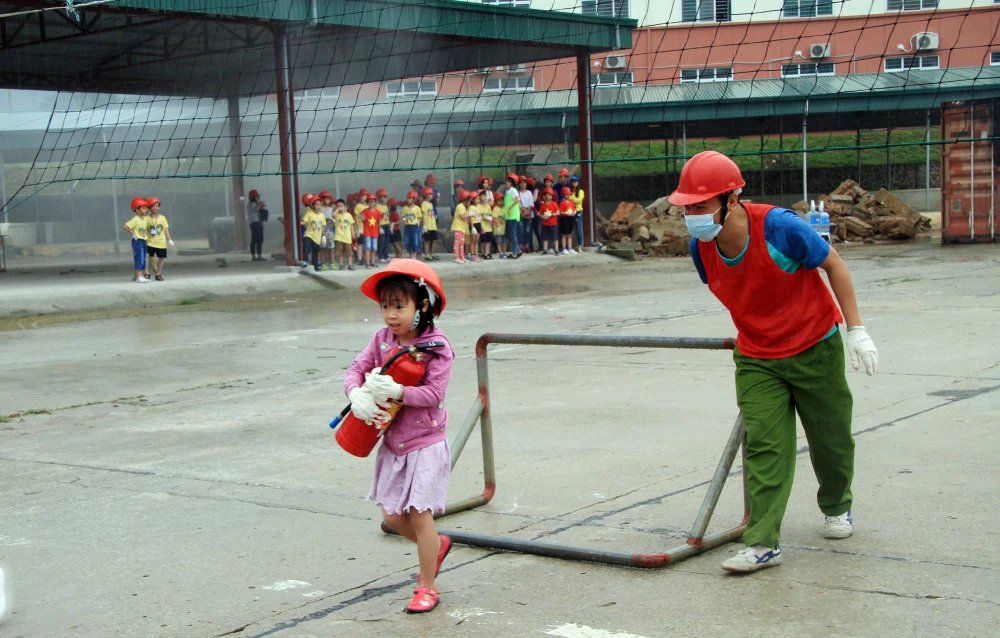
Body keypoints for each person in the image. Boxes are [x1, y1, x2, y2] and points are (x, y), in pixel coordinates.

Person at [669, 150, 879, 573]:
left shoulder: (780, 227)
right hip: (758, 356)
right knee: (765, 447)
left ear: (731, 199)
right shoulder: (700, 248)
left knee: (831, 439)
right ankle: (763, 542)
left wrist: (856, 329)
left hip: (814, 347)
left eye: (701, 205)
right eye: (686, 207)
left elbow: (833, 265)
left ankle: (837, 504)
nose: (692, 214)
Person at [345, 259, 454, 614]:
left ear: (422, 305)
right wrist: (355, 394)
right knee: (392, 517)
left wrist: (400, 390)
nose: (391, 316)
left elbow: (435, 394)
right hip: (393, 443)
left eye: (399, 306)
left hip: (425, 443)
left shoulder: (436, 347)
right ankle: (436, 546)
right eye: (385, 307)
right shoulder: (382, 339)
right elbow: (356, 369)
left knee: (420, 514)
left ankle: (427, 587)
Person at [145, 197, 174, 280]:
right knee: (146, 257)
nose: (155, 208)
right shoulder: (146, 218)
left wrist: (169, 239)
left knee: (161, 258)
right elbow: (143, 228)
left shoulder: (162, 218)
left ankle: (158, 274)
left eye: (157, 206)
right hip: (150, 242)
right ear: (149, 207)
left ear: (159, 207)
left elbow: (165, 229)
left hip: (161, 242)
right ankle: (146, 273)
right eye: (153, 206)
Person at [123, 197, 150, 283]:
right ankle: (139, 276)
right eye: (143, 208)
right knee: (139, 257)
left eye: (145, 208)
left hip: (143, 240)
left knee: (144, 258)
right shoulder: (135, 219)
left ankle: (139, 276)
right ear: (137, 209)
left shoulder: (144, 219)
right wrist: (133, 234)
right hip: (137, 240)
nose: (145, 210)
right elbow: (125, 226)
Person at [300, 193, 326, 272]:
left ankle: (315, 266)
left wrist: (323, 235)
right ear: (313, 205)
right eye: (317, 204)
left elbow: (323, 225)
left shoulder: (322, 215)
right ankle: (306, 260)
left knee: (315, 252)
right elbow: (303, 222)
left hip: (317, 237)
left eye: (320, 205)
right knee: (307, 245)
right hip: (309, 234)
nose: (319, 206)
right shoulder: (309, 213)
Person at [332, 198, 355, 271]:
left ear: (344, 206)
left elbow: (351, 225)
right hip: (338, 236)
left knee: (349, 252)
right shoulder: (337, 215)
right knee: (340, 252)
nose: (340, 207)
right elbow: (333, 215)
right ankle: (341, 265)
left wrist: (353, 234)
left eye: (341, 206)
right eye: (338, 206)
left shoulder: (348, 215)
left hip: (347, 236)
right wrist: (337, 209)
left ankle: (350, 265)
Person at [502, 173, 521, 258]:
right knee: (508, 234)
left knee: (512, 234)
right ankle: (518, 250)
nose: (507, 182)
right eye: (507, 181)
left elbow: (518, 199)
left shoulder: (513, 190)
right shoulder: (507, 191)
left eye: (509, 181)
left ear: (513, 182)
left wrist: (510, 208)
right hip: (508, 216)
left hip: (513, 215)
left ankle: (514, 253)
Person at [450, 189, 471, 264]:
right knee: (457, 243)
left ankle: (462, 257)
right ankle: (457, 258)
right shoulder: (460, 206)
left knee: (462, 243)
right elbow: (462, 216)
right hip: (457, 227)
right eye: (469, 200)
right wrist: (470, 214)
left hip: (461, 228)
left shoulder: (463, 207)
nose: (469, 202)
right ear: (466, 199)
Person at [361, 193, 382, 268]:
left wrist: (380, 228)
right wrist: (362, 218)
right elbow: (363, 220)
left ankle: (372, 262)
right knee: (368, 247)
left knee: (374, 248)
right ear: (367, 202)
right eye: (369, 201)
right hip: (367, 232)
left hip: (375, 232)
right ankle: (367, 262)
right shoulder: (365, 211)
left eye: (372, 201)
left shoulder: (377, 212)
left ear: (375, 202)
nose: (371, 203)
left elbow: (379, 221)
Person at [246, 189, 268, 261]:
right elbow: (256, 210)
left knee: (254, 240)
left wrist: (261, 206)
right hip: (256, 223)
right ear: (253, 197)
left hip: (254, 223)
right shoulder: (252, 204)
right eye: (257, 196)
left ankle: (254, 256)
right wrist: (260, 204)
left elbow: (257, 210)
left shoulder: (251, 204)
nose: (258, 197)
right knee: (259, 240)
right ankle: (259, 256)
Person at [402, 190, 424, 259]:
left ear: (414, 199)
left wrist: (418, 221)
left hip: (415, 226)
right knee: (406, 241)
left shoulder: (417, 208)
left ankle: (414, 255)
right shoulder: (405, 208)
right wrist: (404, 220)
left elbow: (420, 217)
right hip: (407, 226)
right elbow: (403, 216)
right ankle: (410, 254)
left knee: (415, 240)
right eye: (407, 198)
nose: (408, 200)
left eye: (410, 198)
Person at [538, 187, 559, 255]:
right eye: (548, 194)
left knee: (555, 237)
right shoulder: (543, 205)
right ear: (544, 195)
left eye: (550, 195)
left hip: (553, 223)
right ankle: (545, 250)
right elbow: (540, 214)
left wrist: (552, 214)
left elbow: (558, 212)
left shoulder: (554, 204)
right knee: (545, 237)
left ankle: (556, 250)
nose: (549, 196)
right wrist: (542, 216)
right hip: (545, 223)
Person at [420, 186, 438, 261]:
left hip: (433, 225)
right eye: (430, 194)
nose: (432, 195)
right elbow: (423, 215)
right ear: (426, 195)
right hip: (427, 226)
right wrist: (424, 225)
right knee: (426, 240)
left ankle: (432, 253)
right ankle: (427, 255)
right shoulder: (424, 203)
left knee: (435, 239)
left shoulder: (431, 204)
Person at [517, 177, 535, 253]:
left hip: (528, 213)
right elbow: (517, 203)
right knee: (521, 230)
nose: (523, 184)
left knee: (528, 230)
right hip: (520, 213)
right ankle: (521, 246)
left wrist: (528, 210)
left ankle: (527, 246)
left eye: (524, 183)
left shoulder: (529, 192)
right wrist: (523, 210)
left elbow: (531, 203)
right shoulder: (517, 193)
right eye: (521, 183)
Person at [568, 175, 585, 252]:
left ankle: (580, 246)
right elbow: (567, 199)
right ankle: (570, 246)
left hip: (578, 211)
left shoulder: (581, 191)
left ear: (578, 182)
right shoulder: (569, 191)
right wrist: (572, 200)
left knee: (579, 229)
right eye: (573, 181)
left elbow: (579, 200)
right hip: (570, 211)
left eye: (575, 181)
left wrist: (571, 199)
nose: (574, 183)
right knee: (571, 229)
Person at [558, 187, 577, 255]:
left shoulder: (571, 202)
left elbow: (574, 208)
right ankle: (563, 248)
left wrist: (574, 211)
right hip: (564, 219)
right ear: (563, 194)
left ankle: (570, 248)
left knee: (570, 234)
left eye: (569, 194)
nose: (568, 196)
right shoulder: (562, 203)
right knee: (564, 234)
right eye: (566, 194)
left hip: (571, 219)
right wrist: (565, 213)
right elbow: (560, 212)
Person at [376, 188, 392, 264]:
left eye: (385, 197)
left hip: (386, 225)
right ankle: (380, 256)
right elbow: (377, 218)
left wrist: (390, 226)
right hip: (381, 225)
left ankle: (386, 255)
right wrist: (379, 227)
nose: (385, 198)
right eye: (383, 197)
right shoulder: (378, 207)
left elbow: (387, 217)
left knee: (386, 241)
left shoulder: (386, 206)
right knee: (381, 242)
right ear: (378, 198)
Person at [466, 190, 483, 262]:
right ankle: (472, 254)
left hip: (478, 224)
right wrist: (472, 226)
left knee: (476, 241)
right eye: (476, 199)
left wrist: (481, 226)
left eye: (478, 198)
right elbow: (470, 217)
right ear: (472, 199)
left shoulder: (478, 207)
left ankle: (476, 254)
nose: (478, 200)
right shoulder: (471, 207)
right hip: (474, 224)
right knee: (472, 241)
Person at [479, 189, 495, 259]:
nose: (484, 197)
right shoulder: (478, 206)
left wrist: (489, 217)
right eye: (482, 196)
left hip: (488, 226)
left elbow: (491, 215)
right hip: (482, 226)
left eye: (485, 196)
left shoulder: (488, 206)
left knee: (488, 241)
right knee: (483, 241)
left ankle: (486, 253)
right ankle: (482, 251)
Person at [492, 192, 506, 258]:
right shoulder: (495, 209)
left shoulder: (505, 208)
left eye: (501, 200)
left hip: (504, 228)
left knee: (505, 241)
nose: (500, 202)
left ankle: (504, 252)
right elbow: (494, 219)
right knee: (499, 241)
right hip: (498, 229)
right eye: (498, 201)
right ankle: (500, 253)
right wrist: (497, 228)